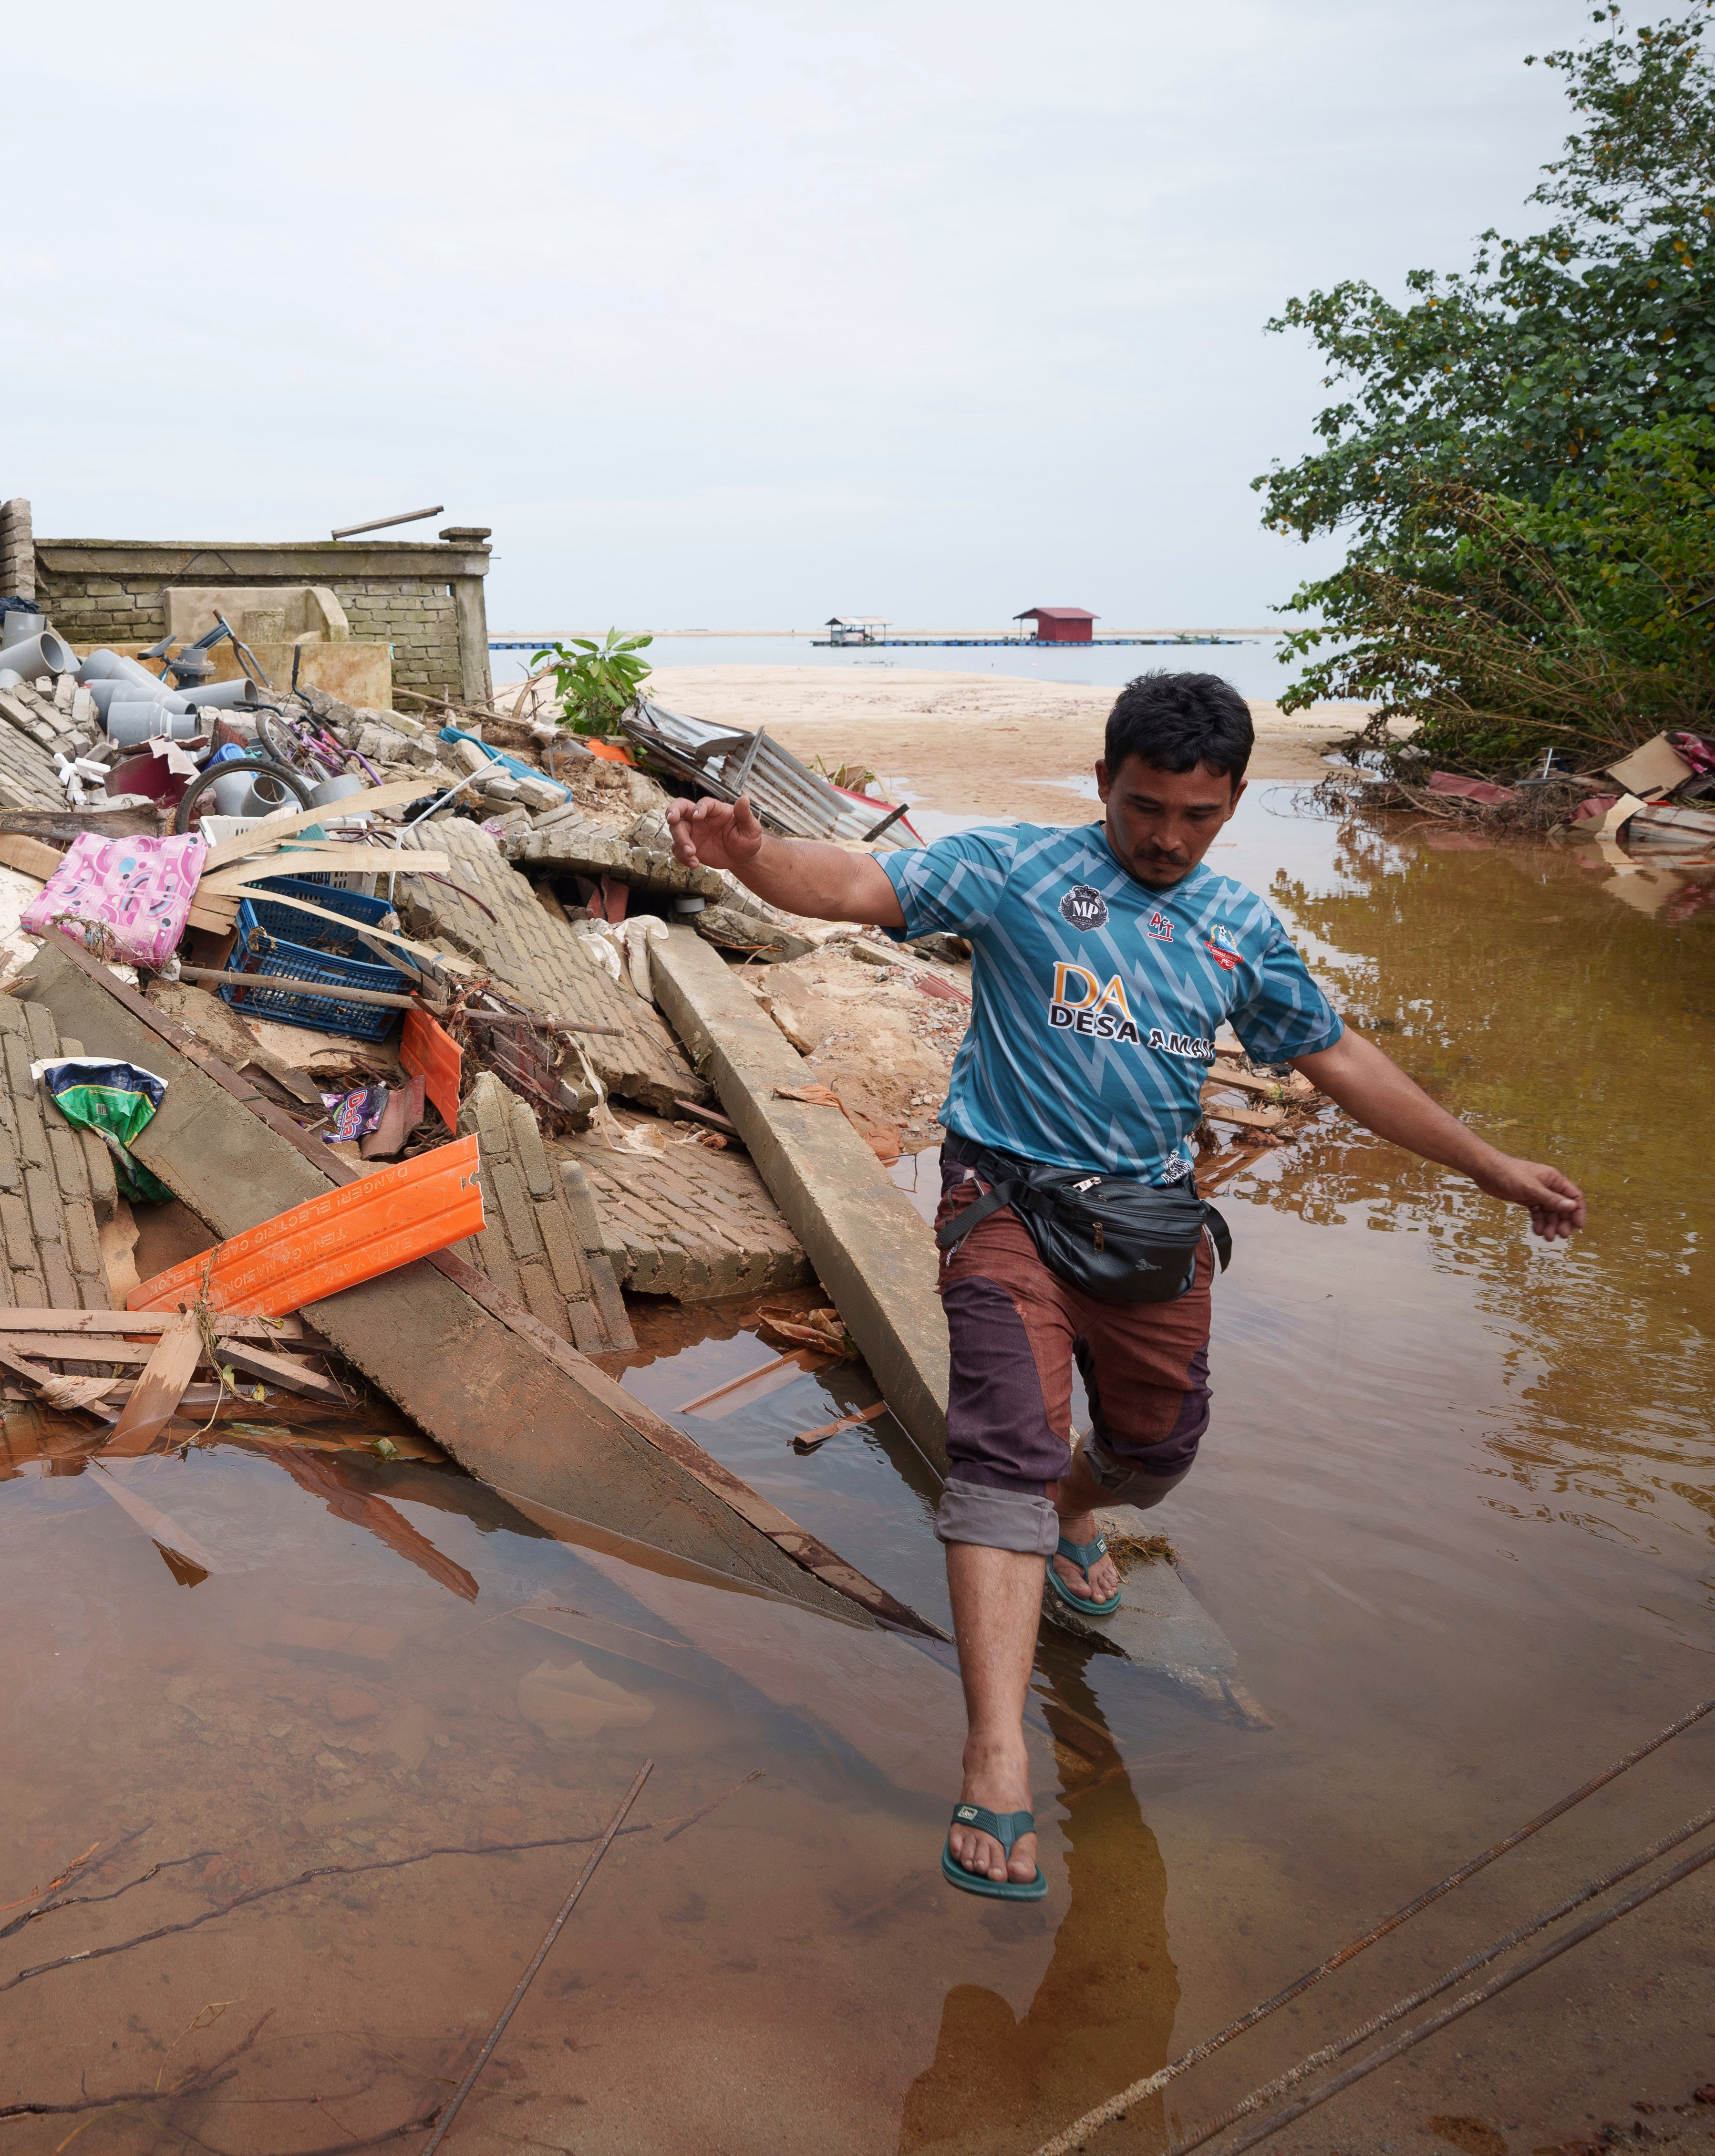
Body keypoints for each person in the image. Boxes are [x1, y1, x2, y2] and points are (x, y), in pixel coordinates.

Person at [664, 670, 1583, 1902]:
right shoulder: (1013, 872)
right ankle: (996, 1758)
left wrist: (1488, 1165)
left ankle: (1078, 1512)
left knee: (1155, 1453)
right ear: (1102, 781)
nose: (1164, 837)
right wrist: (752, 858)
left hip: (1146, 1226)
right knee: (1002, 1456)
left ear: (1233, 804)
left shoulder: (1238, 933)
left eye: (1195, 816)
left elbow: (1338, 1056)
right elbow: (853, 888)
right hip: (1004, 1202)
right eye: (1145, 806)